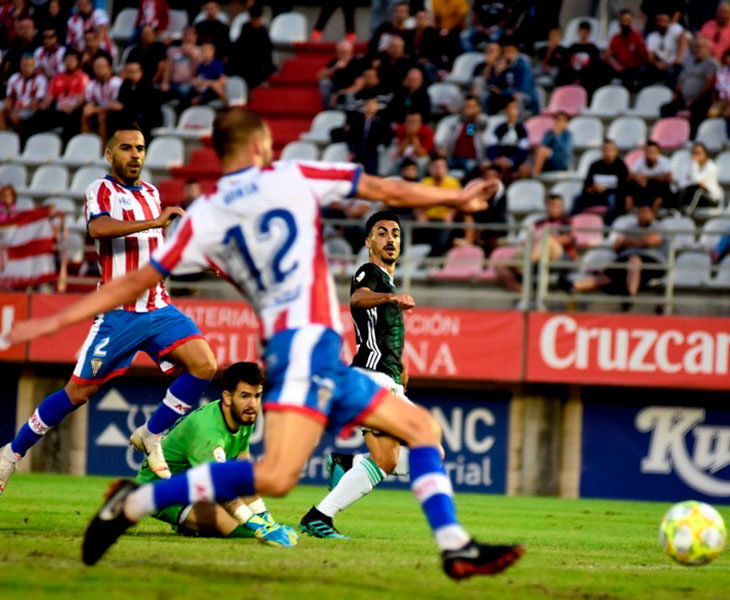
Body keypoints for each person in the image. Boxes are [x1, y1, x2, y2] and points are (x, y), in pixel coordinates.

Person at [8, 107, 522, 579]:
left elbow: (130, 280)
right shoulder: (292, 174)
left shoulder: (206, 214)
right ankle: (136, 503)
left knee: (420, 428)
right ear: (260, 143)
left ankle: (454, 546)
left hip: (311, 351)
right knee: (276, 475)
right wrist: (454, 197)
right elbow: (385, 187)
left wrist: (54, 322)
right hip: (302, 350)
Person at [0, 121, 218, 495]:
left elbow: (156, 251)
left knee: (205, 364)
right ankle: (10, 454)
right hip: (118, 315)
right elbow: (99, 229)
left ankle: (151, 434)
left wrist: (196, 256)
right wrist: (156, 219)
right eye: (128, 148)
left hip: (158, 307)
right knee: (76, 394)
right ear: (110, 153)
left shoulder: (150, 192)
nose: (136, 155)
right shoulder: (100, 190)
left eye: (141, 148)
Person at [299, 211, 418, 538]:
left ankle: (345, 469)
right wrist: (389, 297)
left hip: (383, 378)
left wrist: (401, 367)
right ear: (368, 242)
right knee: (415, 450)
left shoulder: (389, 281)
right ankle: (320, 514)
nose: (391, 238)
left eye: (395, 233)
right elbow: (357, 298)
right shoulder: (370, 272)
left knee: (401, 458)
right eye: (382, 233)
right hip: (371, 378)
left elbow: (382, 334)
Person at [135, 361, 296, 546]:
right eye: (245, 396)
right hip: (162, 490)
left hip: (196, 486)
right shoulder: (208, 433)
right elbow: (220, 488)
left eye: (257, 396)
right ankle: (190, 521)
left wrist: (267, 520)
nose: (252, 404)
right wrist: (255, 523)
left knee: (248, 524)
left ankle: (192, 526)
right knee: (242, 531)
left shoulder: (244, 416)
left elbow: (244, 476)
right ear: (227, 397)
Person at [571, 202, 667, 303]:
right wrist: (632, 242)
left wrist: (628, 241)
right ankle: (573, 285)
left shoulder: (658, 227)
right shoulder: (630, 228)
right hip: (625, 261)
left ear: (652, 214)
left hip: (651, 263)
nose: (643, 215)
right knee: (606, 276)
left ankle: (629, 297)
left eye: (646, 212)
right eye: (641, 212)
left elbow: (649, 241)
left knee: (634, 260)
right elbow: (616, 246)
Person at [495, 193, 575, 294]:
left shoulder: (567, 222)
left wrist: (543, 239)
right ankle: (524, 294)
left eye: (557, 206)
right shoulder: (538, 223)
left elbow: (568, 239)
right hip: (537, 256)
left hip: (560, 257)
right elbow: (527, 240)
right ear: (546, 207)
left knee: (547, 240)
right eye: (551, 205)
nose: (554, 208)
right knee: (500, 264)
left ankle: (525, 267)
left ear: (562, 208)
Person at [660, 36, 718, 137]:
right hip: (684, 98)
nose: (698, 49)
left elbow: (710, 83)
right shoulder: (689, 63)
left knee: (697, 109)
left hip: (702, 98)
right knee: (665, 108)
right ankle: (668, 135)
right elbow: (681, 81)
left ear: (708, 49)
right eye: (696, 47)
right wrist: (676, 94)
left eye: (701, 47)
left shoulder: (711, 63)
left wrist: (695, 97)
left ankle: (692, 138)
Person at [34, 49, 88, 142]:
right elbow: (49, 98)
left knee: (72, 119)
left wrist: (72, 107)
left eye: (72, 60)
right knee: (37, 116)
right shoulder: (57, 78)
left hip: (73, 111)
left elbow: (82, 98)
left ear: (78, 62)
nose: (69, 63)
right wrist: (40, 108)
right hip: (59, 112)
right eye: (67, 60)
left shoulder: (83, 77)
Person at [573, 138, 628, 220]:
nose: (608, 152)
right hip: (596, 195)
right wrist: (592, 188)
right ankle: (573, 221)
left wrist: (605, 190)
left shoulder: (621, 166)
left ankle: (610, 225)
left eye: (610, 149)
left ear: (616, 151)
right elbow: (587, 184)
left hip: (612, 195)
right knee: (577, 198)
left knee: (612, 199)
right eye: (606, 149)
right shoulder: (595, 165)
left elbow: (623, 188)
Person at [226, 4, 275, 90]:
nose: (255, 22)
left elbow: (267, 51)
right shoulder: (245, 27)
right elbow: (238, 44)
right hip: (245, 56)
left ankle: (260, 81)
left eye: (257, 19)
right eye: (253, 19)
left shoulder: (263, 31)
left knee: (262, 65)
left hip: (259, 58)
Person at [343, 96, 392, 175]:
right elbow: (350, 137)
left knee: (370, 175)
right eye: (368, 103)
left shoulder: (381, 122)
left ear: (377, 107)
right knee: (353, 175)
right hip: (357, 152)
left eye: (373, 104)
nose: (370, 106)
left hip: (372, 154)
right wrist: (351, 150)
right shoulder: (357, 120)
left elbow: (386, 139)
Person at [0, 53, 46, 137]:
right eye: (24, 65)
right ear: (20, 65)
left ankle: (19, 140)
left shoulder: (40, 79)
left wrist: (18, 110)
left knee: (16, 117)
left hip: (30, 108)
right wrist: (11, 109)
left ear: (34, 66)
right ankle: (4, 136)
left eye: (29, 65)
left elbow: (36, 102)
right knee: (1, 111)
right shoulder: (14, 78)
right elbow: (9, 98)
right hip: (15, 107)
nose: (26, 68)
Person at [81, 54, 123, 146]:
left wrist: (98, 109)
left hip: (114, 113)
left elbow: (116, 105)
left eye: (102, 67)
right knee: (85, 113)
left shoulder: (117, 82)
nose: (99, 69)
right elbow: (90, 103)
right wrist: (90, 109)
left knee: (102, 116)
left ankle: (103, 148)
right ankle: (85, 144)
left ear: (110, 68)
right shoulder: (91, 84)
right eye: (96, 67)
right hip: (100, 110)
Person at [440, 95, 489, 171]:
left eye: (472, 107)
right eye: (466, 106)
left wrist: (474, 116)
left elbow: (481, 124)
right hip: (453, 158)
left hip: (473, 160)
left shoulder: (482, 120)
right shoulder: (456, 122)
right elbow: (468, 132)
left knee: (470, 166)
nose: (469, 109)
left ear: (478, 108)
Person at [556, 20, 604, 94]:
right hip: (572, 74)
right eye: (582, 31)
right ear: (578, 32)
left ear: (589, 33)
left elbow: (596, 65)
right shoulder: (572, 47)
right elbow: (566, 61)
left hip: (587, 76)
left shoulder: (593, 48)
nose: (584, 34)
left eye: (586, 32)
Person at [605, 9, 648, 92]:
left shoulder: (637, 37)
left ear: (631, 22)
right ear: (620, 22)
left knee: (631, 73)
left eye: (628, 20)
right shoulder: (616, 38)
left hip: (632, 68)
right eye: (623, 20)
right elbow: (608, 55)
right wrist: (615, 65)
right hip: (619, 67)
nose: (625, 23)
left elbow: (643, 57)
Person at [625, 141, 674, 213]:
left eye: (653, 151)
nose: (650, 154)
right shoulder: (639, 161)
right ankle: (629, 212)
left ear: (658, 152)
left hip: (657, 189)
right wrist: (638, 178)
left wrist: (647, 177)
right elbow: (629, 176)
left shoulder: (664, 161)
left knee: (663, 187)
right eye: (648, 151)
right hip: (643, 189)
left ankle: (652, 213)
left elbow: (669, 178)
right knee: (629, 186)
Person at [677, 142, 723, 215]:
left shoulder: (711, 167)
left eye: (698, 153)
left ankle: (686, 214)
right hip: (695, 197)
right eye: (694, 153)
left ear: (705, 154)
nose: (695, 155)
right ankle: (676, 211)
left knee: (698, 191)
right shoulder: (688, 165)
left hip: (712, 199)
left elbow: (697, 181)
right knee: (681, 191)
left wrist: (694, 164)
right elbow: (682, 183)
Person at [644, 12, 689, 87]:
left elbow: (684, 39)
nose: (662, 23)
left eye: (664, 21)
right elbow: (650, 55)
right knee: (645, 70)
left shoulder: (675, 30)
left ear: (669, 22)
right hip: (659, 64)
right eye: (659, 21)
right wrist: (656, 63)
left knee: (673, 72)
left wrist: (677, 59)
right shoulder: (652, 36)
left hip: (673, 64)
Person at [316, 39, 363, 108]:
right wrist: (334, 68)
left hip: (349, 92)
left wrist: (339, 93)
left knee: (350, 94)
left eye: (345, 52)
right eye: (340, 52)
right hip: (335, 90)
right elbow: (319, 76)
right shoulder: (336, 61)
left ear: (351, 52)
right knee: (324, 82)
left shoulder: (357, 62)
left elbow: (358, 86)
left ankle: (348, 113)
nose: (343, 55)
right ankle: (329, 109)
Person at [486, 98, 529, 172]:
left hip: (514, 161)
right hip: (498, 160)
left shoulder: (522, 130)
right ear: (505, 111)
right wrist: (496, 159)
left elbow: (523, 151)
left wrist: (511, 160)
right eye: (509, 108)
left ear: (518, 111)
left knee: (524, 169)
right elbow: (492, 147)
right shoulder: (499, 128)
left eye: (514, 108)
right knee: (484, 165)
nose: (511, 111)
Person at [531, 111, 573, 177]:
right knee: (539, 150)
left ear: (566, 123)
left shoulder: (567, 135)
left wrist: (557, 136)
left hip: (562, 162)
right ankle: (534, 173)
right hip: (550, 161)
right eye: (556, 119)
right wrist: (553, 135)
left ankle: (534, 175)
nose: (558, 122)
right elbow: (543, 145)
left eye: (560, 120)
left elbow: (565, 151)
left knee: (542, 151)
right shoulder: (549, 133)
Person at [190, 41, 227, 107]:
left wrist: (208, 83)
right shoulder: (201, 65)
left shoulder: (217, 65)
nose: (204, 53)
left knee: (211, 90)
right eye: (202, 51)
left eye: (206, 51)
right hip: (202, 88)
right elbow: (196, 78)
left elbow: (222, 80)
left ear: (212, 51)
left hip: (211, 90)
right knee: (189, 92)